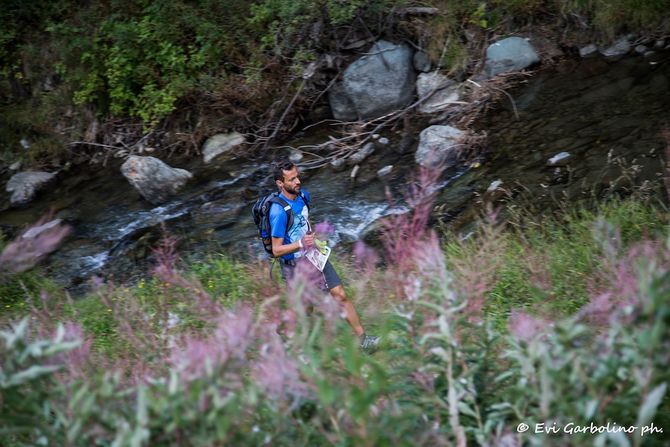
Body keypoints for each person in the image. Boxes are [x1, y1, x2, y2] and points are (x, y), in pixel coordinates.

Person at [269, 160, 379, 350]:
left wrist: (312, 237)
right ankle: (281, 333)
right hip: (294, 267)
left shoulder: (303, 196)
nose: (297, 181)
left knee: (340, 295)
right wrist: (300, 243)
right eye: (292, 179)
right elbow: (275, 250)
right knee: (305, 310)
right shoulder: (278, 212)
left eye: (297, 176)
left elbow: (304, 219)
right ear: (280, 183)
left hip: (313, 256)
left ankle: (364, 341)